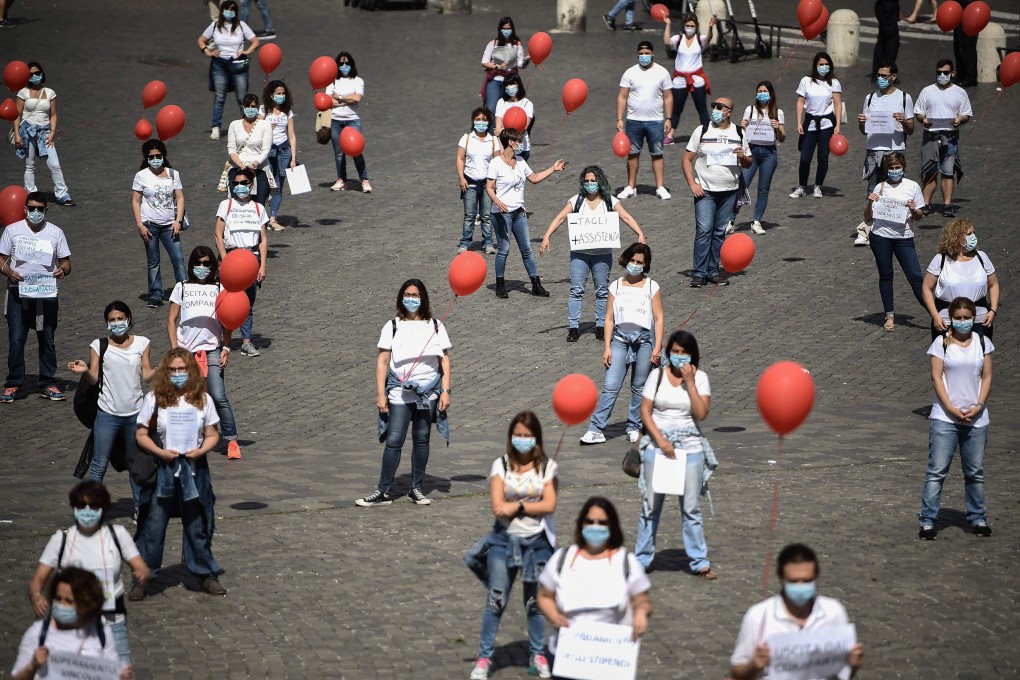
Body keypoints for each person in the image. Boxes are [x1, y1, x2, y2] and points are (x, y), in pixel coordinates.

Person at [465, 411, 558, 680]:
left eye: (528, 436)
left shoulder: (547, 466)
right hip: (504, 541)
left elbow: (549, 504)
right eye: (518, 435)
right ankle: (484, 658)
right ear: (510, 437)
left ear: (536, 438)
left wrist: (517, 504)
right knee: (496, 600)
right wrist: (532, 504)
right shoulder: (501, 465)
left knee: (536, 603)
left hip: (537, 542)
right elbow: (497, 507)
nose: (523, 440)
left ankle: (537, 654)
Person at [133, 348, 226, 598]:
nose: (177, 373)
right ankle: (143, 578)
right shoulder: (155, 398)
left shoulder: (202, 399)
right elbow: (140, 433)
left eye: (181, 369)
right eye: (172, 370)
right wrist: (160, 452)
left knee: (198, 525)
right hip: (163, 468)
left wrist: (201, 451)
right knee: (153, 525)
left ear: (190, 371)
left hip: (195, 470)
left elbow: (212, 433)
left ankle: (205, 574)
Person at [27, 482, 151, 665]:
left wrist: (142, 574)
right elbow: (37, 580)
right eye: (81, 505)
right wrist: (37, 596)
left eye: (93, 505)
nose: (87, 510)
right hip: (70, 626)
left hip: (111, 623)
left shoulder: (117, 535)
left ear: (103, 507)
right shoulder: (61, 540)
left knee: (120, 673)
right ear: (74, 507)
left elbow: (142, 567)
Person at [357, 280, 451, 507]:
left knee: (422, 440)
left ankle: (416, 488)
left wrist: (446, 391)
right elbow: (382, 362)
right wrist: (381, 394)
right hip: (399, 391)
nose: (412, 299)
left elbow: (444, 361)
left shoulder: (436, 325)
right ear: (401, 298)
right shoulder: (392, 325)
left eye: (416, 295)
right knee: (394, 440)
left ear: (423, 298)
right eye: (408, 294)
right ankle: (382, 490)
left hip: (427, 392)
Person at [635, 329, 718, 578]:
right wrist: (660, 440)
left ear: (692, 356)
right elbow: (645, 412)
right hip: (658, 449)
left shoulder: (700, 378)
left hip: (690, 450)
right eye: (675, 352)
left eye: (684, 353)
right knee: (650, 507)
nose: (679, 357)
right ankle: (641, 559)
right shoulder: (656, 376)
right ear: (668, 353)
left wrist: (690, 382)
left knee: (691, 509)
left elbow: (702, 413)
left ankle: (698, 561)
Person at [539, 166, 646, 342]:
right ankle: (573, 327)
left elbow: (626, 217)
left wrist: (639, 233)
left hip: (602, 255)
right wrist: (546, 236)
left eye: (593, 181)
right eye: (587, 181)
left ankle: (600, 326)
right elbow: (560, 217)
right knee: (576, 290)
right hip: (579, 254)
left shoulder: (610, 201)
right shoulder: (576, 201)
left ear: (600, 182)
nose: (590, 184)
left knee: (602, 291)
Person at [538, 497, 652, 657]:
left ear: (612, 526)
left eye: (602, 523)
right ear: (581, 524)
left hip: (610, 656)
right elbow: (544, 596)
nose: (595, 527)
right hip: (566, 654)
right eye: (590, 521)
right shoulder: (562, 559)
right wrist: (554, 616)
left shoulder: (626, 562)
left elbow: (642, 601)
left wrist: (640, 615)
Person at [729, 544, 865, 679]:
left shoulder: (834, 612)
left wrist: (853, 665)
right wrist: (754, 665)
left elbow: (843, 673)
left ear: (816, 575)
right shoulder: (758, 616)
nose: (800, 586)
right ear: (780, 576)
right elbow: (737, 672)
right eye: (793, 581)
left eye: (807, 581)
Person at [919, 296, 993, 540]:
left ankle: (977, 518)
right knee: (937, 471)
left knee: (974, 472)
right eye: (958, 318)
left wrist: (979, 405)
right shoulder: (941, 344)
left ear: (974, 318)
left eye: (967, 318)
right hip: (945, 418)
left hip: (976, 419)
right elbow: (936, 378)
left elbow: (987, 376)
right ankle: (928, 521)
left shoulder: (983, 342)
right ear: (951, 319)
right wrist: (950, 408)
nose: (963, 322)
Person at [67, 302, 154, 507]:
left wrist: (164, 368)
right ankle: (92, 509)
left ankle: (140, 509)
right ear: (107, 323)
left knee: (136, 465)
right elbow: (94, 378)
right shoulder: (99, 345)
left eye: (120, 318)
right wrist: (85, 370)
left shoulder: (142, 343)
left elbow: (147, 374)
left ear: (129, 319)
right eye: (112, 320)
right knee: (99, 465)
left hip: (135, 414)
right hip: (107, 414)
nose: (117, 323)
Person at [579, 243, 663, 445]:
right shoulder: (615, 285)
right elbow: (608, 318)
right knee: (610, 385)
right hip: (620, 340)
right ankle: (596, 428)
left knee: (638, 386)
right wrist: (606, 346)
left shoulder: (652, 286)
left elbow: (658, 318)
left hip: (644, 341)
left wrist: (657, 346)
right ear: (626, 260)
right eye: (632, 260)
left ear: (645, 265)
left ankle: (634, 426)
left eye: (639, 262)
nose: (635, 265)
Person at [167, 246, 243, 460]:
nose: (202, 267)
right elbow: (171, 320)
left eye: (207, 263)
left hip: (212, 349)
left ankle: (231, 439)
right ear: (191, 265)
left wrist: (226, 347)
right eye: (198, 263)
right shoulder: (182, 287)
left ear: (213, 266)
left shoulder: (219, 288)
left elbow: (228, 321)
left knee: (218, 395)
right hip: (186, 352)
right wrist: (175, 350)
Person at [0, 192, 71, 404]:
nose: (36, 212)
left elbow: (66, 262)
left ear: (46, 210)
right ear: (25, 209)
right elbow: (1, 259)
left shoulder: (55, 233)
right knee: (16, 340)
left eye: (40, 209)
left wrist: (62, 270)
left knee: (47, 340)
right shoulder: (12, 231)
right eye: (32, 208)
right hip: (17, 293)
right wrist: (9, 272)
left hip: (45, 294)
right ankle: (13, 383)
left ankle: (47, 383)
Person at [487, 128, 566, 299]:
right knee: (504, 249)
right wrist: (498, 202)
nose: (521, 144)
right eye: (518, 141)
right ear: (510, 142)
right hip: (502, 213)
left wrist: (553, 168)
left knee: (527, 250)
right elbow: (489, 187)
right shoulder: (496, 163)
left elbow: (535, 178)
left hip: (519, 212)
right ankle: (500, 284)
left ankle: (536, 284)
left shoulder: (521, 161)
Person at [12, 567, 130, 680]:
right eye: (58, 598)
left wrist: (121, 677)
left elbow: (111, 673)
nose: (61, 604)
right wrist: (32, 666)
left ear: (86, 604)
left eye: (69, 601)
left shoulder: (101, 632)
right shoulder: (38, 632)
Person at [682, 96, 751, 288]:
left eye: (720, 107)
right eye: (713, 106)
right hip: (705, 191)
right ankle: (698, 272)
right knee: (704, 231)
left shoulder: (738, 132)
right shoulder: (702, 130)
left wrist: (742, 156)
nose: (715, 109)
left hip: (729, 191)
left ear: (729, 111)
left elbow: (748, 162)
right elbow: (686, 159)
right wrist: (692, 184)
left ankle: (713, 271)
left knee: (719, 232)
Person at [864, 152, 926, 332]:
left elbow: (920, 216)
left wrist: (914, 209)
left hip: (904, 238)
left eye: (897, 167)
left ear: (903, 167)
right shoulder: (880, 187)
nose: (894, 171)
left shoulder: (912, 187)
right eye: (891, 168)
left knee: (915, 277)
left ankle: (935, 313)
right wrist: (869, 203)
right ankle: (889, 315)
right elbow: (868, 217)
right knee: (886, 275)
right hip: (880, 236)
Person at [214, 167, 268, 358]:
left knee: (248, 303)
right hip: (231, 257)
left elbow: (262, 239)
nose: (239, 187)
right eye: (235, 184)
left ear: (251, 185)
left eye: (243, 183)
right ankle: (221, 341)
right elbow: (218, 234)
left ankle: (246, 342)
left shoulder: (258, 208)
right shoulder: (226, 205)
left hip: (251, 260)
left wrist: (262, 265)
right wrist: (225, 258)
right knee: (224, 301)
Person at [131, 139, 187, 308]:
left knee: (178, 259)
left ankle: (184, 291)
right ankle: (156, 293)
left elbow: (180, 197)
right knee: (153, 260)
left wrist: (178, 221)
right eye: (152, 156)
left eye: (158, 155)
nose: (155, 159)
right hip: (150, 225)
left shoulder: (173, 174)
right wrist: (140, 225)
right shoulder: (141, 176)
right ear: (146, 158)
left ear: (164, 155)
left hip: (170, 224)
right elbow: (135, 201)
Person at [922, 219, 998, 341]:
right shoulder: (941, 260)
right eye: (969, 234)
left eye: (974, 233)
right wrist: (935, 315)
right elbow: (926, 287)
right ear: (956, 237)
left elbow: (993, 284)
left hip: (980, 319)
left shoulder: (981, 257)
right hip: (946, 320)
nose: (973, 237)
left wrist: (993, 310)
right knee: (947, 356)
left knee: (980, 355)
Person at [617, 41, 674, 200]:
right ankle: (631, 186)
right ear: (637, 54)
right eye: (641, 54)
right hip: (634, 120)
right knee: (633, 153)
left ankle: (660, 187)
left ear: (653, 54)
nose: (644, 56)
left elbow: (668, 97)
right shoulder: (629, 73)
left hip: (655, 120)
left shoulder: (662, 72)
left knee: (657, 153)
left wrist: (668, 119)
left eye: (647, 53)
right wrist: (620, 118)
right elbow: (622, 97)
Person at [914, 59, 971, 218]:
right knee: (930, 171)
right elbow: (918, 112)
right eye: (939, 73)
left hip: (950, 137)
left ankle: (947, 204)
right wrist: (922, 119)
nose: (942, 75)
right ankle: (926, 204)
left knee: (947, 172)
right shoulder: (927, 91)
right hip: (930, 136)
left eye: (945, 73)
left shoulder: (960, 92)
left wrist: (959, 120)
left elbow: (966, 114)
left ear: (952, 73)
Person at [12, 62, 74, 206]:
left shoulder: (50, 92)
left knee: (54, 164)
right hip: (28, 131)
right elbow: (16, 115)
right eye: (31, 74)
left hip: (45, 132)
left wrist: (52, 132)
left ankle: (62, 194)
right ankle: (31, 193)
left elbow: (53, 115)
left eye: (37, 73)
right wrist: (17, 134)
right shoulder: (23, 93)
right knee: (30, 165)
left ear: (42, 73)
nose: (35, 76)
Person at [198, 1, 260, 140]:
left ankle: (248, 126)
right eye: (227, 9)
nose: (229, 12)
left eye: (232, 10)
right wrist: (207, 51)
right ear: (222, 11)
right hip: (219, 64)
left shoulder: (241, 26)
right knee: (219, 97)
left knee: (241, 97)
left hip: (238, 64)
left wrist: (246, 52)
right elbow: (201, 40)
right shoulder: (214, 26)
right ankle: (216, 127)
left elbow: (255, 41)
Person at [730, 80, 785, 235]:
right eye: (759, 91)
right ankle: (730, 220)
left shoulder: (777, 112)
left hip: (769, 154)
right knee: (742, 186)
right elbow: (742, 132)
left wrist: (778, 128)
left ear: (771, 93)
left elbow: (782, 138)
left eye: (765, 91)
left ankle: (757, 221)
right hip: (751, 152)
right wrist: (743, 125)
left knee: (763, 189)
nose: (762, 94)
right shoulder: (750, 110)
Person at [857, 63, 914, 200]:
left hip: (894, 151)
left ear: (893, 77)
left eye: (884, 76)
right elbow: (864, 131)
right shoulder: (870, 98)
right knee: (872, 194)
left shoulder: (904, 98)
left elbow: (911, 129)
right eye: (878, 75)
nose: (880, 78)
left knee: (894, 194)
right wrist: (861, 123)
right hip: (873, 152)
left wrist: (903, 121)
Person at [790, 52, 842, 199]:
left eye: (826, 64)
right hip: (810, 123)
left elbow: (837, 105)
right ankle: (802, 186)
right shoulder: (806, 81)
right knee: (805, 157)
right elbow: (800, 102)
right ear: (815, 65)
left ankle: (818, 185)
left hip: (826, 124)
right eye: (821, 64)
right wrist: (799, 122)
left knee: (823, 157)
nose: (823, 67)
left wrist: (837, 125)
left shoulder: (834, 82)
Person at [663, 12, 716, 141]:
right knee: (676, 109)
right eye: (687, 25)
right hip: (679, 80)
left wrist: (710, 28)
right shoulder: (678, 39)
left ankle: (706, 134)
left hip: (697, 79)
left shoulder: (700, 39)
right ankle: (669, 135)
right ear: (683, 25)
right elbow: (666, 42)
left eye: (692, 25)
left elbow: (708, 39)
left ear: (696, 26)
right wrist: (668, 25)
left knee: (702, 108)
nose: (690, 28)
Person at [456, 107, 500, 255]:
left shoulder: (493, 140)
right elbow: (460, 158)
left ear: (488, 122)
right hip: (470, 182)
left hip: (487, 184)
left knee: (486, 215)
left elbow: (497, 161)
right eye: (478, 119)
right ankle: (465, 242)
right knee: (469, 215)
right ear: (473, 121)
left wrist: (495, 182)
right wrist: (461, 178)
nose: (481, 122)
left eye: (484, 120)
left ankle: (487, 242)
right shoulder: (467, 138)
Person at [326, 52, 371, 193]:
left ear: (351, 64)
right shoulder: (332, 81)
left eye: (347, 63)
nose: (344, 66)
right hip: (335, 121)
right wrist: (346, 100)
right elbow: (328, 102)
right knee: (339, 153)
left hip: (352, 121)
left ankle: (364, 180)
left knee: (357, 151)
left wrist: (338, 97)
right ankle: (341, 180)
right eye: (341, 64)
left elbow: (357, 98)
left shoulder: (358, 80)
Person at [259, 79, 296, 231]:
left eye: (283, 93)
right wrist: (267, 126)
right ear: (271, 95)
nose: (281, 96)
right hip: (268, 150)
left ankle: (273, 218)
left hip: (284, 150)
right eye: (278, 93)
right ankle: (261, 217)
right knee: (266, 183)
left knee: (279, 185)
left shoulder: (287, 112)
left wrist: (293, 158)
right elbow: (257, 129)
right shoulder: (264, 110)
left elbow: (292, 136)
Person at [480, 17, 527, 132]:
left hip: (510, 82)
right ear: (500, 29)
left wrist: (529, 58)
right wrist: (497, 66)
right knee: (492, 108)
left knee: (508, 108)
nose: (506, 31)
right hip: (495, 80)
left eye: (509, 28)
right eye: (504, 28)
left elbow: (520, 63)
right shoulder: (493, 43)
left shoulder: (517, 44)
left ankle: (506, 134)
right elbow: (484, 61)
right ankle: (492, 134)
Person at [226, 94, 272, 209]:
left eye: (253, 106)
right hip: (238, 168)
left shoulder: (264, 125)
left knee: (259, 205)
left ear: (257, 108)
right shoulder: (234, 124)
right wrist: (240, 165)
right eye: (247, 106)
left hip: (259, 169)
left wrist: (253, 165)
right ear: (243, 107)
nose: (250, 109)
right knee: (237, 204)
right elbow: (231, 148)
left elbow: (266, 149)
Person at [493, 74, 534, 161]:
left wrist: (503, 132)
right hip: (504, 147)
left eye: (512, 84)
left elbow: (524, 127)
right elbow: (497, 129)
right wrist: (501, 148)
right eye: (507, 85)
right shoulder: (501, 102)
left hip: (521, 147)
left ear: (518, 85)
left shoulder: (527, 104)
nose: (510, 87)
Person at [952, 0, 978, 86]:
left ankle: (971, 77)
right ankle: (961, 74)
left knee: (967, 45)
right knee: (958, 44)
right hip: (959, 6)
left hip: (969, 6)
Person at [872, 0, 900, 77]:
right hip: (889, 8)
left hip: (882, 7)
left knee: (882, 41)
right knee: (892, 43)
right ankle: (888, 70)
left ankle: (876, 71)